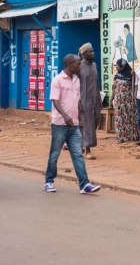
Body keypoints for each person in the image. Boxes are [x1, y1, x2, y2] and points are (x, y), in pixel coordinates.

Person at [44, 53, 101, 194]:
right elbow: (55, 100)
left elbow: (78, 101)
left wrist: (80, 120)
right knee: (54, 154)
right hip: (59, 125)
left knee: (77, 155)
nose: (80, 66)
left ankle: (84, 184)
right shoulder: (57, 80)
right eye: (77, 64)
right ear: (69, 65)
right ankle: (49, 181)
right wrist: (65, 116)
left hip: (74, 125)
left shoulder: (77, 80)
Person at [78, 43, 101, 160]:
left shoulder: (95, 65)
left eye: (93, 51)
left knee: (96, 120)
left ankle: (80, 142)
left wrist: (99, 98)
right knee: (88, 124)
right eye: (90, 52)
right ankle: (88, 150)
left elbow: (96, 83)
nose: (92, 53)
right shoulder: (79, 66)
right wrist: (78, 100)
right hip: (84, 98)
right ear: (83, 54)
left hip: (95, 98)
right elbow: (75, 85)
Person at [112, 58, 138, 144]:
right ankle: (121, 137)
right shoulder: (116, 75)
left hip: (129, 100)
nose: (116, 67)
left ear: (123, 66)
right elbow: (114, 88)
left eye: (118, 66)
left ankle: (131, 136)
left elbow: (135, 86)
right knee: (120, 118)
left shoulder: (131, 75)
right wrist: (111, 99)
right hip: (119, 101)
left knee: (129, 117)